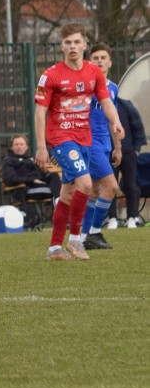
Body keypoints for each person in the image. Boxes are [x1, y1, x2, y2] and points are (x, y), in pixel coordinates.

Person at [33, 24, 124, 261]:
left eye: (76, 42)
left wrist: (115, 122)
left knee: (67, 194)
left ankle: (54, 248)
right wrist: (42, 146)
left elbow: (105, 102)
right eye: (68, 43)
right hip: (61, 138)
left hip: (85, 138)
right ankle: (76, 240)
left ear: (84, 44)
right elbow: (40, 112)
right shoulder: (51, 75)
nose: (72, 47)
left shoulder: (93, 72)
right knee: (85, 183)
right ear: (62, 46)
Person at [79, 43, 122, 249]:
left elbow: (113, 121)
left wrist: (118, 147)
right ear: (90, 62)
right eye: (95, 58)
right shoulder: (85, 86)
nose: (99, 61)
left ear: (109, 62)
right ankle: (94, 232)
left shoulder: (113, 88)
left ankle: (83, 236)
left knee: (94, 191)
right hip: (90, 143)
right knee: (112, 187)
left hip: (105, 144)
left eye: (103, 57)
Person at [0, 134, 61, 228]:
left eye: (21, 144)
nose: (19, 146)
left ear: (26, 147)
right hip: (25, 189)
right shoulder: (9, 161)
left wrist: (46, 173)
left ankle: (59, 204)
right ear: (12, 147)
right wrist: (32, 180)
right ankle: (59, 208)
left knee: (54, 176)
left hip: (41, 186)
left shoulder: (31, 159)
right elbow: (11, 179)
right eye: (16, 144)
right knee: (55, 190)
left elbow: (41, 175)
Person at [106, 97, 147, 228]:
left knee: (131, 185)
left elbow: (137, 126)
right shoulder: (99, 106)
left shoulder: (125, 105)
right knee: (110, 186)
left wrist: (137, 149)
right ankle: (112, 218)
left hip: (128, 152)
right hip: (109, 153)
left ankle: (132, 217)